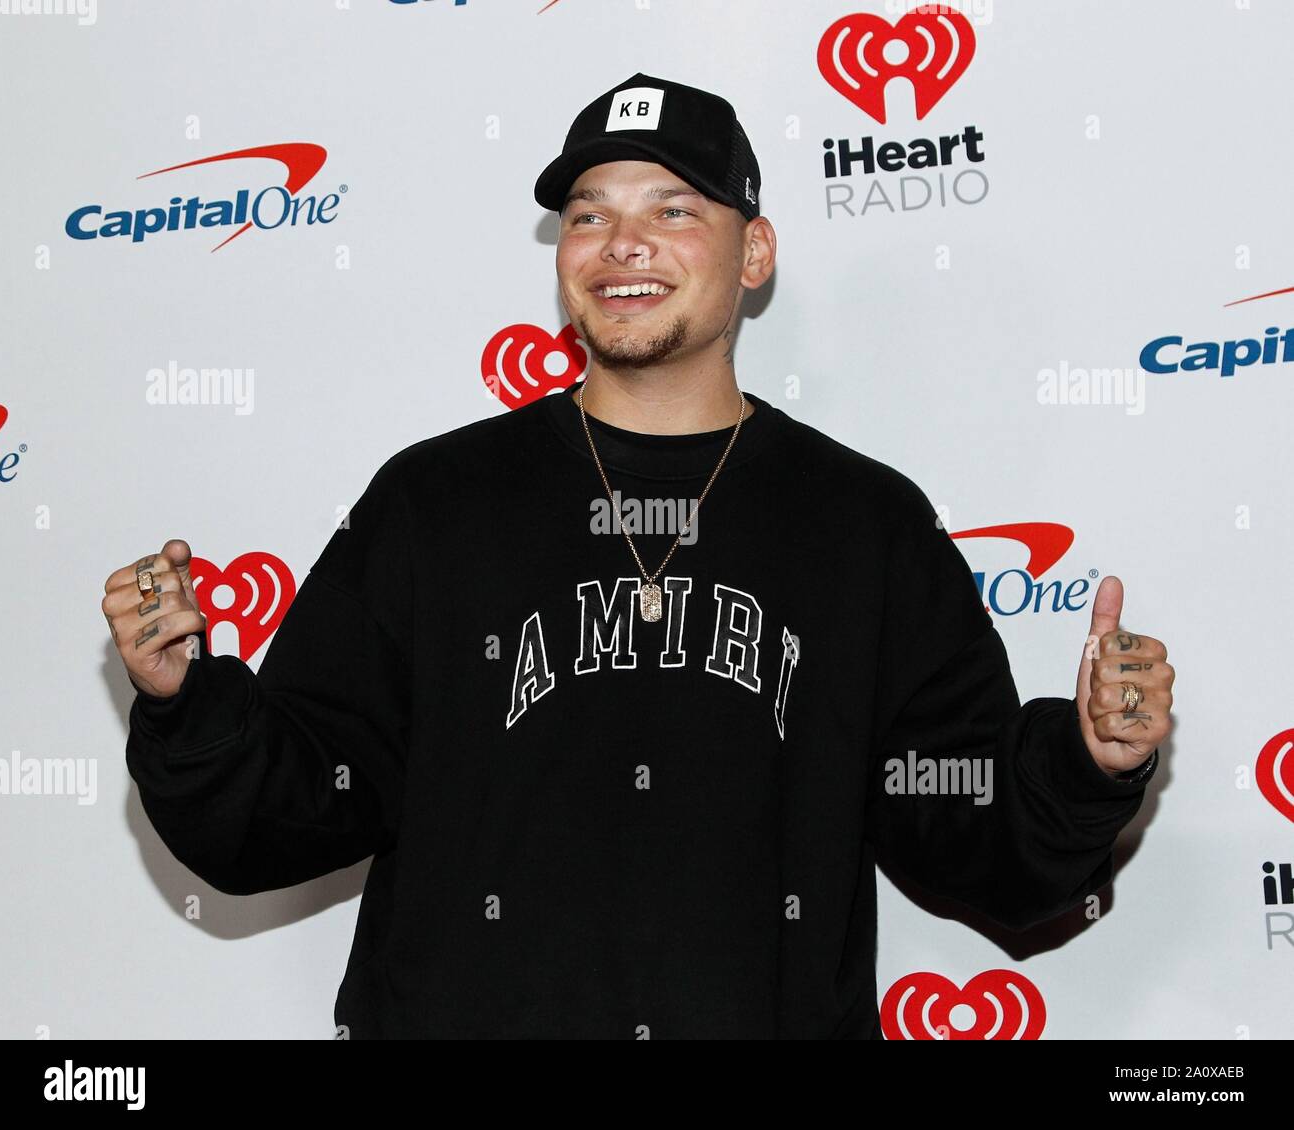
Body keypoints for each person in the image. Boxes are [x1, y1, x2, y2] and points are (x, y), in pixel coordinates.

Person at [105, 72, 1174, 1039]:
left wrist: (1085, 764)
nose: (623, 244)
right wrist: (184, 703)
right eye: (589, 216)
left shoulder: (862, 523)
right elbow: (302, 801)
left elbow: (960, 825)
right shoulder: (435, 502)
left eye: (673, 209)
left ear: (753, 252)